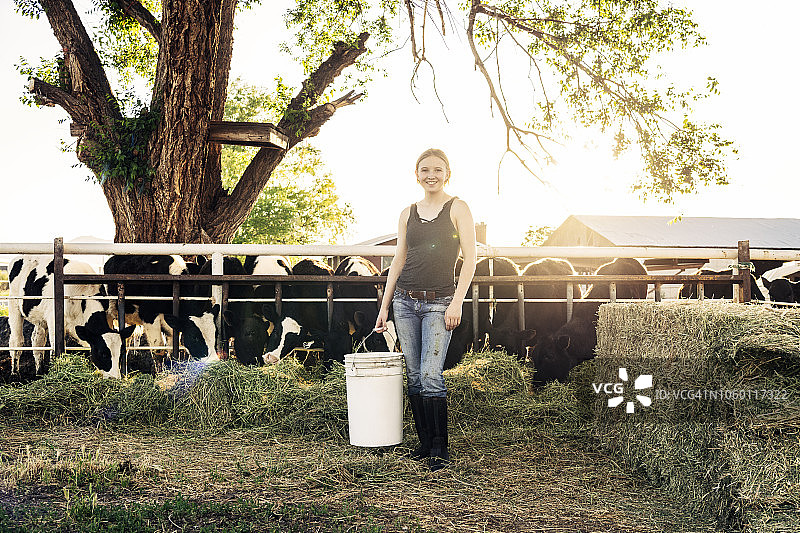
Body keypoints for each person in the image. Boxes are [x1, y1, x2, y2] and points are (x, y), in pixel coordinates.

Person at [375, 148, 477, 471]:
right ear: (416, 174)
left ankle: (440, 449)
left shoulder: (458, 208)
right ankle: (424, 445)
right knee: (415, 375)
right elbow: (398, 259)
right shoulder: (408, 213)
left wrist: (457, 301)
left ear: (447, 174)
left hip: (440, 302)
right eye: (424, 170)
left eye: (437, 169)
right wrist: (384, 305)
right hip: (405, 302)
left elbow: (471, 259)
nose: (431, 175)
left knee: (432, 374)